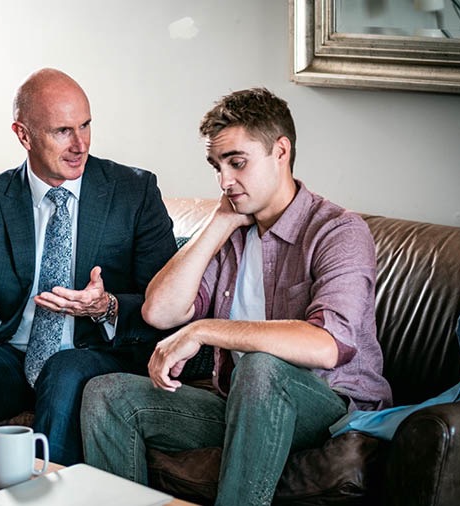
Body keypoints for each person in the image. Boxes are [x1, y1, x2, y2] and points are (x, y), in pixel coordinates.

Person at [81, 87, 392, 505]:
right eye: (217, 166)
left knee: (262, 367)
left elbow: (327, 346)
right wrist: (219, 222)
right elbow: (159, 312)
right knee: (107, 395)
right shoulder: (233, 234)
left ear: (280, 152)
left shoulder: (337, 231)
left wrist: (204, 330)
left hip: (331, 411)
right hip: (243, 407)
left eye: (237, 162)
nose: (225, 181)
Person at [0, 67, 177, 466]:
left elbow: (167, 301)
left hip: (96, 356)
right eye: (63, 131)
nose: (80, 144)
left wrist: (107, 306)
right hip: (13, 358)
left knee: (64, 370)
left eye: (85, 126)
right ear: (24, 135)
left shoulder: (135, 192)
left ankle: (42, 490)